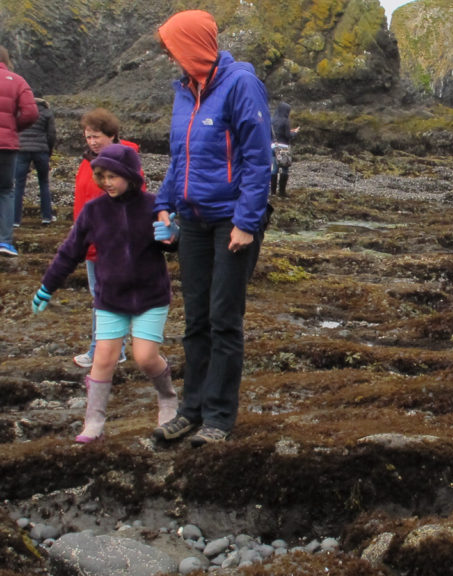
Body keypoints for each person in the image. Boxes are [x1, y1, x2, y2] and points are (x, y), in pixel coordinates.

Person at [152, 9, 272, 447]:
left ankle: (219, 417)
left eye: (174, 47)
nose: (171, 56)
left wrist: (246, 221)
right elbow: (179, 158)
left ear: (194, 45)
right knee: (195, 321)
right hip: (194, 222)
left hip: (231, 223)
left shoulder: (241, 84)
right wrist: (163, 205)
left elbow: (260, 160)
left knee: (224, 320)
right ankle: (191, 411)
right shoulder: (184, 92)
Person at [31, 144, 177, 443]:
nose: (107, 182)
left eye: (113, 176)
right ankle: (94, 421)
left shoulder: (152, 205)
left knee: (145, 357)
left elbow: (173, 244)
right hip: (110, 299)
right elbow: (69, 252)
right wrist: (48, 286)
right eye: (102, 176)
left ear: (131, 176)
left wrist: (172, 236)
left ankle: (168, 397)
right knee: (103, 357)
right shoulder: (93, 211)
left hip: (151, 297)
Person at [72, 108, 143, 369]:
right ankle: (109, 350)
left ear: (112, 135)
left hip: (114, 243)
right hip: (92, 243)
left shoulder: (125, 162)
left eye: (97, 136)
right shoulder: (87, 161)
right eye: (88, 137)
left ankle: (106, 352)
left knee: (106, 297)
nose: (92, 142)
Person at [0, 45, 39, 257]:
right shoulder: (17, 80)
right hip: (6, 145)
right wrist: (15, 127)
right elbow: (31, 112)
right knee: (5, 191)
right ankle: (4, 242)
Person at [13, 94, 55, 226]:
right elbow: (51, 134)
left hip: (22, 151)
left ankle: (15, 220)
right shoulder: (47, 112)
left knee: (19, 184)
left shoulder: (20, 112)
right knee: (43, 182)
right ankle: (47, 217)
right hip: (41, 150)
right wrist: (49, 150)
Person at [270, 101, 298, 196]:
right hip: (284, 148)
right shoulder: (285, 121)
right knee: (285, 169)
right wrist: (295, 132)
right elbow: (288, 135)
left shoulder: (272, 120)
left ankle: (273, 192)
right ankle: (282, 192)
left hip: (273, 147)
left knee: (274, 169)